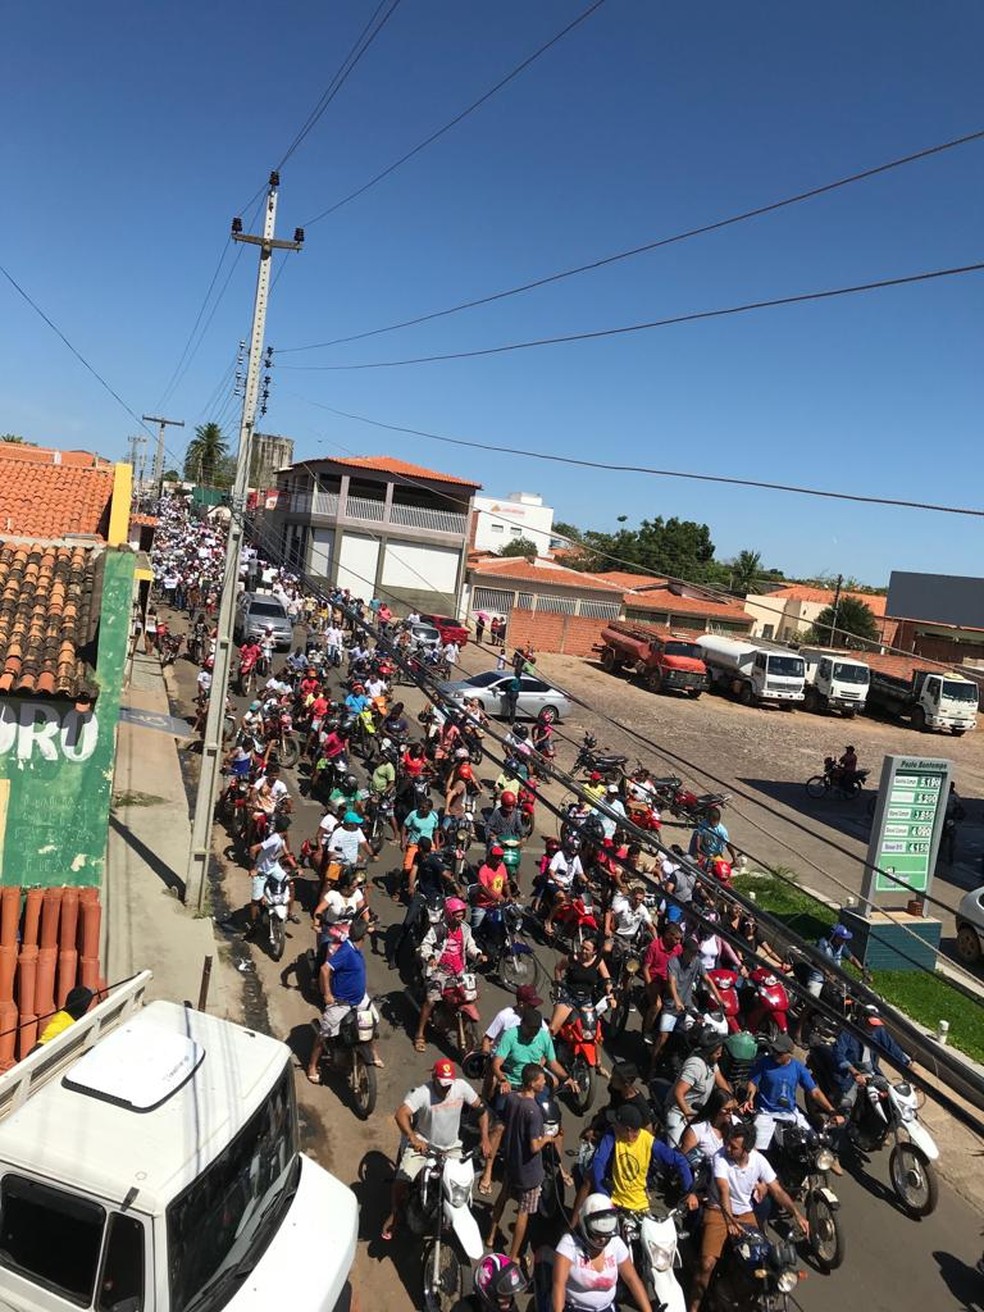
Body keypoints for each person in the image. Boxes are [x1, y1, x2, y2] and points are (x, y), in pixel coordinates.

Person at [688, 1121, 807, 1312]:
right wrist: (729, 1220)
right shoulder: (721, 1157)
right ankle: (693, 1308)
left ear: (747, 1149)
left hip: (745, 1215)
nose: (728, 1148)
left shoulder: (758, 1161)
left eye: (734, 1147)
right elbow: (723, 1189)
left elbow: (776, 1190)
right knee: (707, 1263)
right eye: (728, 1143)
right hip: (719, 1212)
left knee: (764, 1259)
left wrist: (797, 1215)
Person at [380, 1057, 491, 1242]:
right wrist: (413, 1138)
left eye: (449, 1084)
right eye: (442, 1084)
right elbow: (401, 1114)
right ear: (434, 1078)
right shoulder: (422, 1093)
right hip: (424, 1145)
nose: (446, 1089)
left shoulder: (461, 1087)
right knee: (402, 1179)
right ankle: (395, 1213)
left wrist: (485, 1138)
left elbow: (481, 1110)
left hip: (452, 1147)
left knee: (462, 1183)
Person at [479, 1006, 573, 1196]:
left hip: (536, 1086)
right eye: (530, 1030)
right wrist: (503, 1080)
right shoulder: (511, 1036)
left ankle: (558, 1166)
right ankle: (487, 1171)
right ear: (522, 1025)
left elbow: (552, 1063)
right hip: (512, 1086)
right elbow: (497, 1063)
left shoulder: (544, 1037)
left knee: (556, 1127)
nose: (533, 1034)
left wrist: (567, 1078)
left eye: (536, 1030)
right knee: (499, 1128)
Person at [484, 1063, 550, 1260]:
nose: (544, 1082)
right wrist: (547, 1138)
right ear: (532, 1083)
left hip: (511, 1161)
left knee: (503, 1196)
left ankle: (490, 1235)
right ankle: (513, 1256)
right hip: (528, 1171)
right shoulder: (534, 1111)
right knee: (524, 1211)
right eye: (541, 1080)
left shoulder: (512, 1098)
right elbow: (534, 1146)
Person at [585, 1102, 696, 1215]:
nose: (614, 1125)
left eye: (617, 1123)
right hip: (615, 1203)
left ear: (627, 1129)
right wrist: (603, 1195)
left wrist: (689, 1192)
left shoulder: (648, 1141)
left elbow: (679, 1161)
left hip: (640, 1207)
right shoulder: (612, 1134)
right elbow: (598, 1162)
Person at [552, 1193, 654, 1312]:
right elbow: (559, 1285)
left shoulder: (615, 1242)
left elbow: (632, 1279)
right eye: (597, 1235)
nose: (602, 1240)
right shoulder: (568, 1245)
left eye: (606, 1235)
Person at [306, 919, 381, 1077]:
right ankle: (312, 1066)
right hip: (342, 1001)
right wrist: (327, 994)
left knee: (372, 1023)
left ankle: (373, 1053)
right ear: (363, 938)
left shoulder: (355, 947)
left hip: (360, 999)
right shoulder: (346, 951)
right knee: (324, 1033)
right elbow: (325, 969)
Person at [742, 1032, 841, 1150]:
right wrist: (750, 1097)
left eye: (780, 1053)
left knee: (814, 1145)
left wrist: (832, 1111)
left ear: (789, 1054)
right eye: (775, 1051)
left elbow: (814, 1092)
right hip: (766, 1113)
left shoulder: (798, 1068)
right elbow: (752, 1082)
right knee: (755, 1151)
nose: (776, 1054)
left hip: (790, 1114)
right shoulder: (764, 1063)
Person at [415, 897, 483, 1052]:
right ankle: (419, 1034)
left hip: (459, 971)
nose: (459, 918)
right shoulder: (438, 929)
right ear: (449, 914)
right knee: (431, 1000)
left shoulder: (465, 928)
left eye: (461, 915)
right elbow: (425, 945)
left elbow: (470, 945)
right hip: (440, 972)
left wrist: (478, 954)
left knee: (468, 997)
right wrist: (430, 957)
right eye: (456, 915)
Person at [651, 937, 725, 1066]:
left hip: (688, 1005)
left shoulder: (696, 962)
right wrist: (677, 1001)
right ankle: (652, 1064)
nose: (694, 955)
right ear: (684, 951)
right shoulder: (673, 963)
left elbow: (707, 979)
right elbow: (671, 982)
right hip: (672, 1006)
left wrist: (719, 998)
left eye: (696, 953)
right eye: (692, 952)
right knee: (663, 1036)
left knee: (701, 1027)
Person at [828, 1005, 917, 1110]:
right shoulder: (848, 1031)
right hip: (850, 1076)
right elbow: (838, 1053)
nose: (873, 1027)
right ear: (862, 1019)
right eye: (870, 1024)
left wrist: (909, 1066)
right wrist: (854, 1072)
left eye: (875, 1025)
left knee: (891, 1098)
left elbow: (893, 1048)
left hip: (872, 1074)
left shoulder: (879, 1031)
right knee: (846, 1105)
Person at [549, 937, 613, 1071]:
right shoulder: (573, 958)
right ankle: (541, 1060)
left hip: (586, 1000)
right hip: (569, 998)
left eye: (587, 949)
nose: (582, 951)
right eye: (582, 947)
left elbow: (607, 979)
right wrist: (558, 986)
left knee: (596, 1034)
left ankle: (598, 1063)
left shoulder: (598, 961)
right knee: (552, 1030)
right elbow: (558, 968)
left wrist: (611, 995)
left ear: (594, 951)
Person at [664, 1031, 731, 1146]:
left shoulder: (711, 1063)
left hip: (697, 1114)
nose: (720, 1056)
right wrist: (688, 1115)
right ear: (708, 1053)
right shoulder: (695, 1067)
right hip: (680, 1113)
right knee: (675, 1151)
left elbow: (719, 1079)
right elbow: (679, 1093)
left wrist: (731, 1100)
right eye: (717, 1053)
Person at [246, 815, 296, 936]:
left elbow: (287, 853)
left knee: (291, 884)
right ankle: (253, 925)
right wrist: (253, 868)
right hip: (261, 870)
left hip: (274, 867)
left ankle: (290, 913)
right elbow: (253, 849)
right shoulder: (273, 839)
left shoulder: (281, 839)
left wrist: (296, 867)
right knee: (256, 900)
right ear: (284, 829)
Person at [641, 921, 683, 1040]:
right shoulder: (654, 946)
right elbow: (645, 968)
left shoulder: (678, 949)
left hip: (669, 981)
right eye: (676, 938)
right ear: (668, 935)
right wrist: (649, 986)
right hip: (654, 980)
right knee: (657, 1005)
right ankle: (647, 1031)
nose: (678, 942)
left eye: (680, 939)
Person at [451, 1252, 529, 1312]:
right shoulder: (463, 1308)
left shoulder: (510, 1306)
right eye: (502, 1295)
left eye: (510, 1293)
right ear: (488, 1293)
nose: (508, 1300)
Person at [679, 1086, 741, 1159]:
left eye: (732, 1109)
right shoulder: (697, 1130)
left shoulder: (735, 1122)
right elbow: (680, 1159)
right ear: (715, 1109)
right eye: (726, 1109)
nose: (730, 1113)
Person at [324, 812, 370, 888]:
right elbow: (330, 850)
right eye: (356, 823)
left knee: (362, 883)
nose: (358, 825)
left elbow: (364, 843)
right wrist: (332, 856)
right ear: (349, 825)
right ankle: (323, 898)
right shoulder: (337, 833)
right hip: (338, 863)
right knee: (328, 885)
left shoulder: (357, 830)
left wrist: (372, 855)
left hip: (353, 865)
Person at [605, 883, 655, 953]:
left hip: (627, 939)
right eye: (636, 898)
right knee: (607, 949)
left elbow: (651, 926)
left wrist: (656, 942)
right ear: (632, 897)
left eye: (640, 900)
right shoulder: (624, 904)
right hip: (615, 934)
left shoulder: (643, 910)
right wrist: (607, 928)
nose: (637, 901)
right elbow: (609, 913)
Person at [401, 796, 441, 882]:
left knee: (436, 865)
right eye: (420, 807)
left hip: (428, 845)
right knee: (407, 868)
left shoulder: (434, 816)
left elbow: (436, 831)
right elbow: (404, 826)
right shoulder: (413, 814)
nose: (421, 809)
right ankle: (398, 888)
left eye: (424, 808)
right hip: (414, 844)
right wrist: (403, 842)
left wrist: (437, 846)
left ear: (430, 809)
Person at [471, 846, 510, 930]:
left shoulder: (502, 866)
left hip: (497, 904)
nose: (499, 860)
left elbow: (505, 883)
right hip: (483, 905)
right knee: (476, 927)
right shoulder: (484, 870)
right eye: (497, 858)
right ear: (491, 858)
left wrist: (509, 896)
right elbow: (483, 888)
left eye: (501, 858)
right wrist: (496, 897)